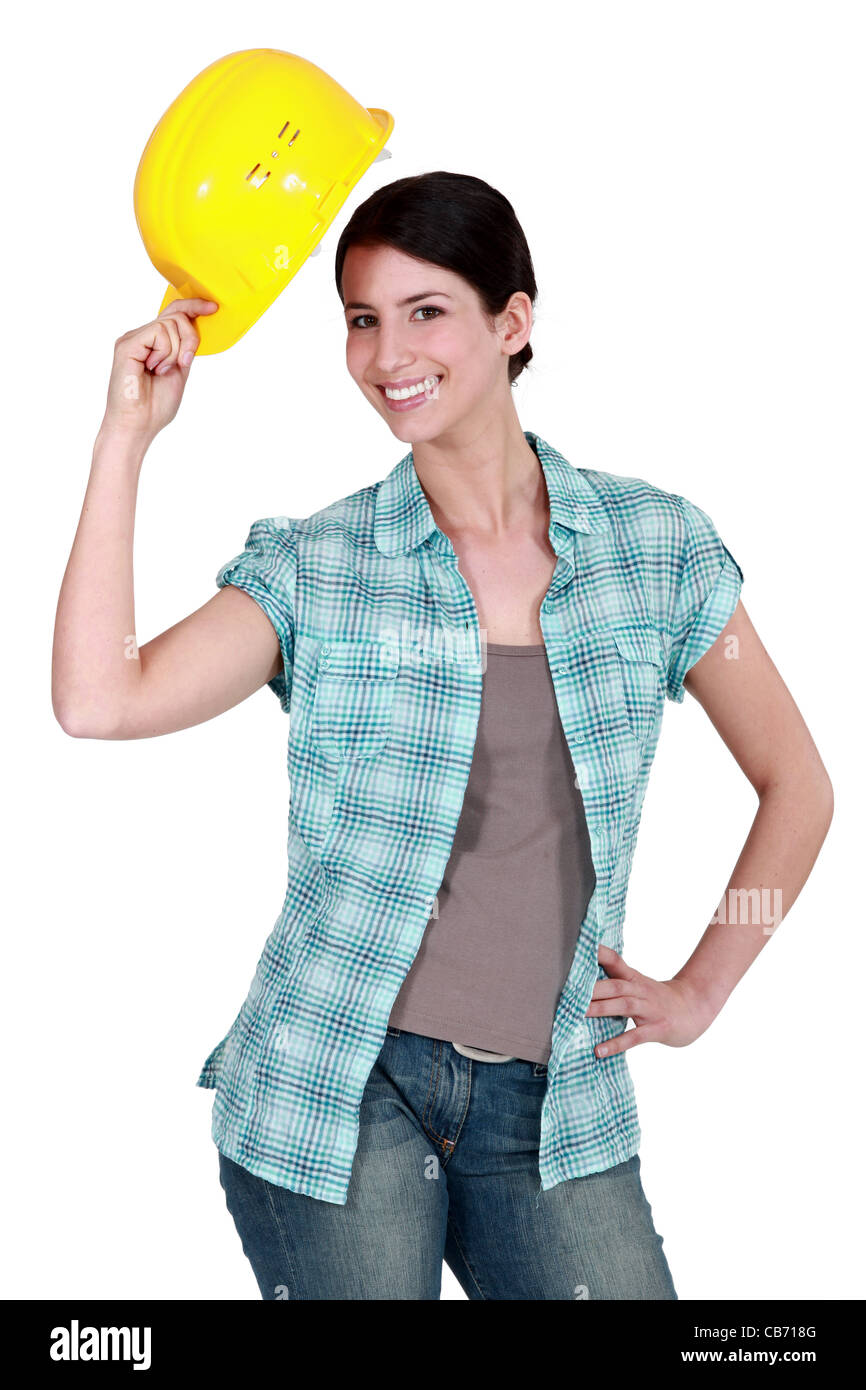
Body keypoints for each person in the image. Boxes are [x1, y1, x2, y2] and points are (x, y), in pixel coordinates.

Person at [53, 171, 833, 1301]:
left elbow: (795, 788)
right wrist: (127, 434)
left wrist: (709, 979)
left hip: (555, 1100)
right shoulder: (318, 567)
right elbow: (97, 698)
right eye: (362, 320)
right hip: (335, 1085)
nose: (386, 355)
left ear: (511, 323)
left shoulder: (654, 550)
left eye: (425, 313)